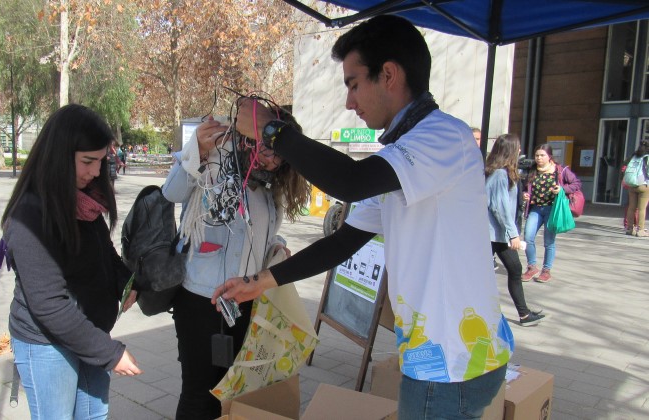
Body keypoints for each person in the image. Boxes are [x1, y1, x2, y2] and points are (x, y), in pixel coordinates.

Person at [213, 15, 513, 419]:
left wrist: (272, 131)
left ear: (388, 74)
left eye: (353, 84)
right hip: (442, 359)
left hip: (451, 365)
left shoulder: (444, 136)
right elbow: (343, 242)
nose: (349, 102)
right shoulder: (403, 159)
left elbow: (350, 181)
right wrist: (260, 282)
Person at [163, 113, 310, 419]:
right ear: (252, 138)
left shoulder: (268, 187)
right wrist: (197, 149)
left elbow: (261, 233)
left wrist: (276, 247)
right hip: (202, 300)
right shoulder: (214, 162)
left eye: (280, 156)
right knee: (199, 393)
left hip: (244, 302)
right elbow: (172, 193)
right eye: (268, 149)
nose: (271, 160)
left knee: (229, 393)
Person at [0, 104, 142, 419]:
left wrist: (125, 281)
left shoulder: (83, 200)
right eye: (87, 161)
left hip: (88, 334)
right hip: (47, 343)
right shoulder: (29, 215)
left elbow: (103, 252)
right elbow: (49, 304)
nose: (96, 172)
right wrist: (109, 353)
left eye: (101, 161)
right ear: (59, 156)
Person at [485, 134, 545, 326]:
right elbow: (499, 208)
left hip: (497, 234)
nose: (520, 151)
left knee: (513, 269)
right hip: (496, 234)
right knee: (512, 269)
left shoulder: (502, 173)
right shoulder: (500, 174)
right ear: (509, 150)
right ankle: (523, 314)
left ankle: (524, 314)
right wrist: (513, 235)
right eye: (517, 148)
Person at [521, 144, 582, 283]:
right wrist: (525, 194)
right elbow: (525, 187)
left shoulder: (560, 170)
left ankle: (546, 270)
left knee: (549, 241)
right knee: (528, 237)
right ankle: (531, 267)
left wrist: (562, 189)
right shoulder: (532, 170)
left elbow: (576, 183)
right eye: (537, 155)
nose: (539, 158)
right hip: (536, 209)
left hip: (552, 209)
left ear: (549, 156)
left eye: (542, 155)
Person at [624, 140, 649, 237]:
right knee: (642, 209)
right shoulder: (647, 157)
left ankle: (630, 229)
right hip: (643, 184)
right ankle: (641, 230)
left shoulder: (634, 156)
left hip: (632, 184)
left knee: (631, 207)